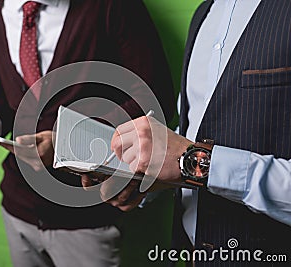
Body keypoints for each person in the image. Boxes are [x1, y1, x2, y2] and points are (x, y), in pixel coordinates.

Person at [0, 0, 175, 266]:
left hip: (85, 214)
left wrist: (69, 141)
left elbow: (154, 98)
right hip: (16, 205)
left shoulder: (113, 6)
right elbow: (2, 92)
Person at [89, 0, 291, 266]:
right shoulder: (204, 14)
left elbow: (190, 154)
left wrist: (195, 162)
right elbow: (194, 133)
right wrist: (143, 174)